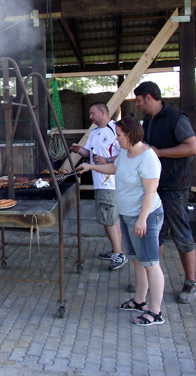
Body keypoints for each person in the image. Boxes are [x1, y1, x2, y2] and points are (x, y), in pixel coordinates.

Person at [78, 117, 165, 326]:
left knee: (151, 263)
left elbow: (150, 192)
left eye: (119, 135)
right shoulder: (126, 154)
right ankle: (139, 301)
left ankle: (155, 312)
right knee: (137, 260)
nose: (116, 139)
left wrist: (142, 219)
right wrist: (90, 167)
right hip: (127, 215)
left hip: (144, 216)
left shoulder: (148, 158)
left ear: (131, 135)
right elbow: (114, 168)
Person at [134, 81, 196, 304]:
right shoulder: (149, 120)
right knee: (155, 233)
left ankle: (191, 284)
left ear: (150, 97)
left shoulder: (176, 118)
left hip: (174, 186)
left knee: (181, 232)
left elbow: (192, 147)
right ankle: (154, 279)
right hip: (154, 186)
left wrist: (160, 152)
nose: (138, 105)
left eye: (140, 101)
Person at [70, 102, 125, 271]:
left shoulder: (116, 129)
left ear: (103, 112)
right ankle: (117, 250)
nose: (90, 117)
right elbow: (90, 153)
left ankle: (118, 254)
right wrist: (79, 150)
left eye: (93, 113)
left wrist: (107, 160)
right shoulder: (94, 132)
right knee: (111, 218)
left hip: (110, 181)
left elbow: (125, 153)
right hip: (99, 181)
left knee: (108, 218)